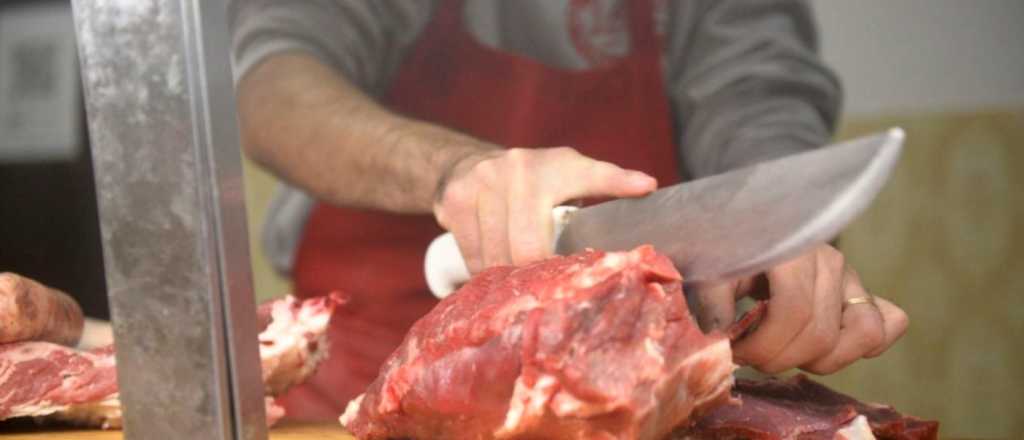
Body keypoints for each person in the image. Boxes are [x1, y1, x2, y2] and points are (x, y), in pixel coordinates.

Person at [229, 0, 908, 419]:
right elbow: (269, 81)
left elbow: (758, 96)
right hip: (365, 382)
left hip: (618, 385)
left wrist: (780, 219)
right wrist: (455, 170)